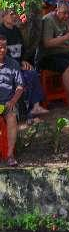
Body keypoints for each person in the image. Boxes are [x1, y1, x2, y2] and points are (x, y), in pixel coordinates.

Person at [0, 11, 48, 116]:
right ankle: (24, 111)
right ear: (3, 16)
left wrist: (23, 61)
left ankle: (36, 107)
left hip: (18, 64)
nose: (14, 16)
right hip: (8, 67)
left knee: (32, 72)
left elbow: (22, 50)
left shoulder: (16, 30)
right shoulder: (1, 32)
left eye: (15, 14)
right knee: (23, 78)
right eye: (11, 14)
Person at [0, 35, 24, 166]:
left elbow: (20, 87)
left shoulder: (13, 64)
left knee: (12, 117)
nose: (2, 50)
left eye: (4, 47)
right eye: (0, 47)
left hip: (8, 102)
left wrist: (13, 101)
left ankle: (10, 155)